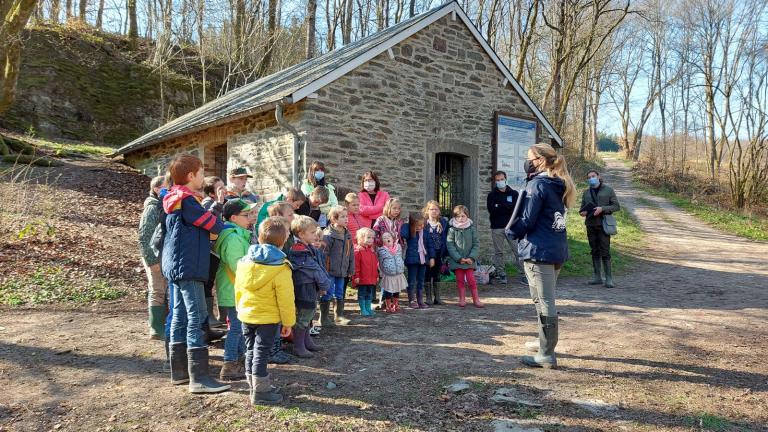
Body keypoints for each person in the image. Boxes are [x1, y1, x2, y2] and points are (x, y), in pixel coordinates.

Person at [161, 154, 230, 394]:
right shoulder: (188, 201)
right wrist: (222, 215)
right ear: (191, 176)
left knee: (180, 315)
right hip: (189, 266)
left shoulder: (174, 198)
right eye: (201, 173)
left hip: (177, 266)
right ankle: (199, 378)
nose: (203, 176)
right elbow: (214, 225)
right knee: (196, 316)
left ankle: (179, 372)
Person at [508, 142, 576, 369]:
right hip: (555, 250)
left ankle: (547, 353)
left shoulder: (538, 185)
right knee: (542, 299)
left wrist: (512, 232)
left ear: (541, 160)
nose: (527, 162)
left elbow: (528, 219)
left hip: (539, 250)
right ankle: (543, 342)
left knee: (545, 301)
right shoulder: (559, 184)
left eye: (530, 158)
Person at [234, 216, 296, 404]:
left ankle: (254, 386)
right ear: (284, 241)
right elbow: (286, 299)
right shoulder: (281, 267)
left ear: (259, 238)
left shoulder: (244, 262)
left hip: (246, 314)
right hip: (267, 318)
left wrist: (240, 309)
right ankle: (261, 393)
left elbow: (238, 288)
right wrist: (288, 322)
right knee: (260, 352)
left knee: (251, 350)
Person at [214, 199, 258, 380]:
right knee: (236, 328)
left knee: (240, 326)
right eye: (246, 215)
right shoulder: (232, 238)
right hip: (234, 289)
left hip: (239, 288)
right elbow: (238, 265)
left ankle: (239, 359)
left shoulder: (239, 234)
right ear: (233, 217)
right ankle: (229, 364)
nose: (250, 218)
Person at [288, 216, 331, 358]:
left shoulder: (309, 248)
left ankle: (307, 341)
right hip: (304, 287)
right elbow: (314, 270)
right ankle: (298, 346)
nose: (315, 235)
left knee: (309, 314)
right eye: (312, 233)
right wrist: (325, 284)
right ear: (301, 234)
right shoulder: (299, 251)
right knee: (303, 316)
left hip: (310, 286)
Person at [263, 205, 295, 365]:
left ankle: (274, 349)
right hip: (270, 300)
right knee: (273, 324)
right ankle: (273, 351)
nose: (289, 233)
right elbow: (285, 296)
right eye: (287, 231)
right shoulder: (279, 263)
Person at [138, 175, 168, 340]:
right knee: (157, 290)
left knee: (163, 289)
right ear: (157, 189)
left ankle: (162, 324)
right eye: (165, 187)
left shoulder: (160, 205)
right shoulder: (152, 208)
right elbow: (144, 236)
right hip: (154, 257)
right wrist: (152, 261)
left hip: (161, 255)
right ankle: (156, 329)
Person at [580, 170, 620, 288]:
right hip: (590, 224)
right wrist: (583, 212)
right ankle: (597, 277)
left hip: (603, 225)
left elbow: (616, 206)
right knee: (594, 250)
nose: (591, 178)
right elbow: (582, 208)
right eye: (589, 177)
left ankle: (609, 278)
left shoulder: (608, 190)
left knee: (605, 251)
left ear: (598, 177)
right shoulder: (586, 192)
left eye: (593, 176)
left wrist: (602, 209)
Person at [487, 170, 525, 285]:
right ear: (495, 181)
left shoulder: (514, 194)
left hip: (512, 228)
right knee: (498, 252)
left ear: (506, 179)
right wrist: (506, 206)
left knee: (518, 251)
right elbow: (492, 210)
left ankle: (524, 274)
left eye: (501, 179)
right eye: (497, 180)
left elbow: (517, 210)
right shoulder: (491, 195)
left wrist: (500, 205)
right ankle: (501, 274)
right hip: (497, 227)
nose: (500, 182)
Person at [320, 206, 355, 326]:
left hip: (342, 270)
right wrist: (324, 270)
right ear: (334, 219)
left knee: (339, 292)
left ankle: (339, 316)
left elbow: (350, 252)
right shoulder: (328, 235)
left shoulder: (347, 234)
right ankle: (323, 318)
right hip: (329, 271)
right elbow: (324, 255)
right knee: (328, 293)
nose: (346, 219)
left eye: (347, 216)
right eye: (343, 217)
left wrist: (351, 268)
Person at [201, 176, 227, 329]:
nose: (224, 189)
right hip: (209, 249)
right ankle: (208, 315)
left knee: (211, 281)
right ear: (211, 192)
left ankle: (212, 315)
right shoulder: (208, 204)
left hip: (216, 249)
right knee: (208, 282)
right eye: (220, 187)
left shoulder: (220, 203)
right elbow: (210, 223)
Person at [446, 205, 482, 308]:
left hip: (469, 261)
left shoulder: (472, 229)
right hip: (458, 261)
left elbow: (476, 244)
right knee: (460, 280)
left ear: (467, 216)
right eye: (458, 216)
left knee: (471, 279)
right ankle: (462, 299)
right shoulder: (452, 230)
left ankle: (476, 299)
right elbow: (450, 245)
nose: (461, 218)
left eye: (463, 216)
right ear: (454, 217)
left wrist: (471, 258)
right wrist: (459, 258)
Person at [400, 212, 435, 309]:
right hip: (412, 261)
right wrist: (409, 225)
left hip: (423, 261)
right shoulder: (409, 231)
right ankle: (412, 300)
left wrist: (432, 258)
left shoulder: (426, 232)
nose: (421, 227)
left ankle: (420, 300)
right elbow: (403, 234)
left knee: (421, 280)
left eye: (422, 225)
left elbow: (430, 245)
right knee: (412, 281)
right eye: (418, 225)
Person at [423, 200, 448, 305]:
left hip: (439, 252)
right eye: (431, 209)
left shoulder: (443, 222)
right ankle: (428, 297)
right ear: (427, 211)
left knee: (437, 274)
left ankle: (437, 297)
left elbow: (446, 237)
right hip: (427, 253)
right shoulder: (424, 223)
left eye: (436, 209)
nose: (434, 211)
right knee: (427, 274)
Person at [377, 232, 406, 313]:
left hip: (398, 273)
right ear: (382, 241)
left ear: (393, 238)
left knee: (397, 290)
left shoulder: (399, 247)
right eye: (385, 238)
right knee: (388, 290)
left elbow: (402, 257)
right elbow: (380, 262)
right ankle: (388, 305)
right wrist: (382, 271)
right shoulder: (382, 250)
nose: (387, 238)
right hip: (388, 274)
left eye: (389, 236)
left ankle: (395, 304)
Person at [353, 228, 378, 316]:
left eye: (372, 238)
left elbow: (375, 265)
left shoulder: (372, 251)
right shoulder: (358, 251)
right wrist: (356, 276)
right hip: (362, 278)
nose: (371, 240)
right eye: (368, 237)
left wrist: (376, 275)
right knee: (362, 294)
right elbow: (356, 266)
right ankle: (363, 309)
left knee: (369, 293)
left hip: (371, 278)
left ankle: (368, 308)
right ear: (360, 238)